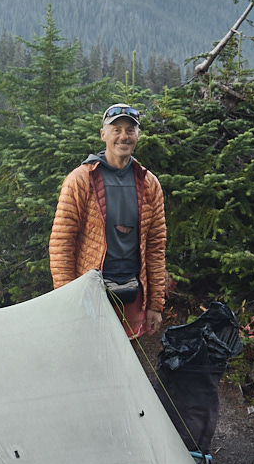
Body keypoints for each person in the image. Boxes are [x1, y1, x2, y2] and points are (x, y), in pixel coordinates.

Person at [48, 103, 167, 337]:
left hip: (132, 291)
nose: (124, 136)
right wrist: (66, 298)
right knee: (89, 357)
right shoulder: (81, 180)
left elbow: (155, 247)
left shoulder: (149, 183)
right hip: (91, 293)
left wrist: (155, 304)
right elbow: (62, 243)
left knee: (128, 356)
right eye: (116, 129)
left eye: (130, 130)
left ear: (138, 136)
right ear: (103, 134)